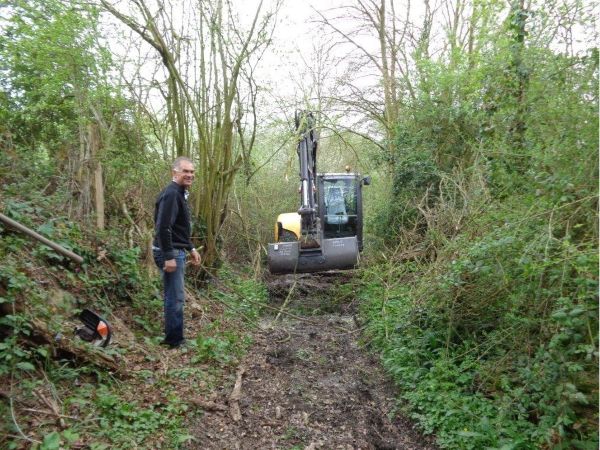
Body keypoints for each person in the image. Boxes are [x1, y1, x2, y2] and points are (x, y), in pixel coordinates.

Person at [152, 156, 201, 348]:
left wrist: (191, 248)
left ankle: (174, 337)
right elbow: (163, 227)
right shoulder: (172, 193)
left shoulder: (179, 193)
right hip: (169, 252)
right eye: (185, 171)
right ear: (175, 173)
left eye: (192, 172)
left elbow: (178, 228)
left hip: (176, 249)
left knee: (176, 295)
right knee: (176, 297)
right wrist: (169, 256)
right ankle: (174, 341)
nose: (189, 175)